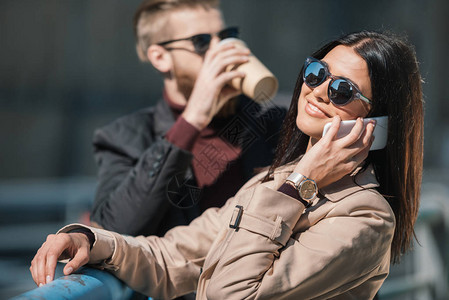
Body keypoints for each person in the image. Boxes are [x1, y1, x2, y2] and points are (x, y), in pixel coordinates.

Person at [30, 30, 423, 299]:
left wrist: (300, 186)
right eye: (316, 72)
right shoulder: (275, 180)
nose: (317, 91)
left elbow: (228, 293)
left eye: (342, 90)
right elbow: (175, 256)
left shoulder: (365, 218)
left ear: (378, 125)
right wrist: (90, 240)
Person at [89, 0, 286, 238]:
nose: (219, 51)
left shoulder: (272, 120)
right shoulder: (124, 136)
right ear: (160, 57)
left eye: (226, 36)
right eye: (201, 41)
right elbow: (114, 229)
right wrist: (192, 119)